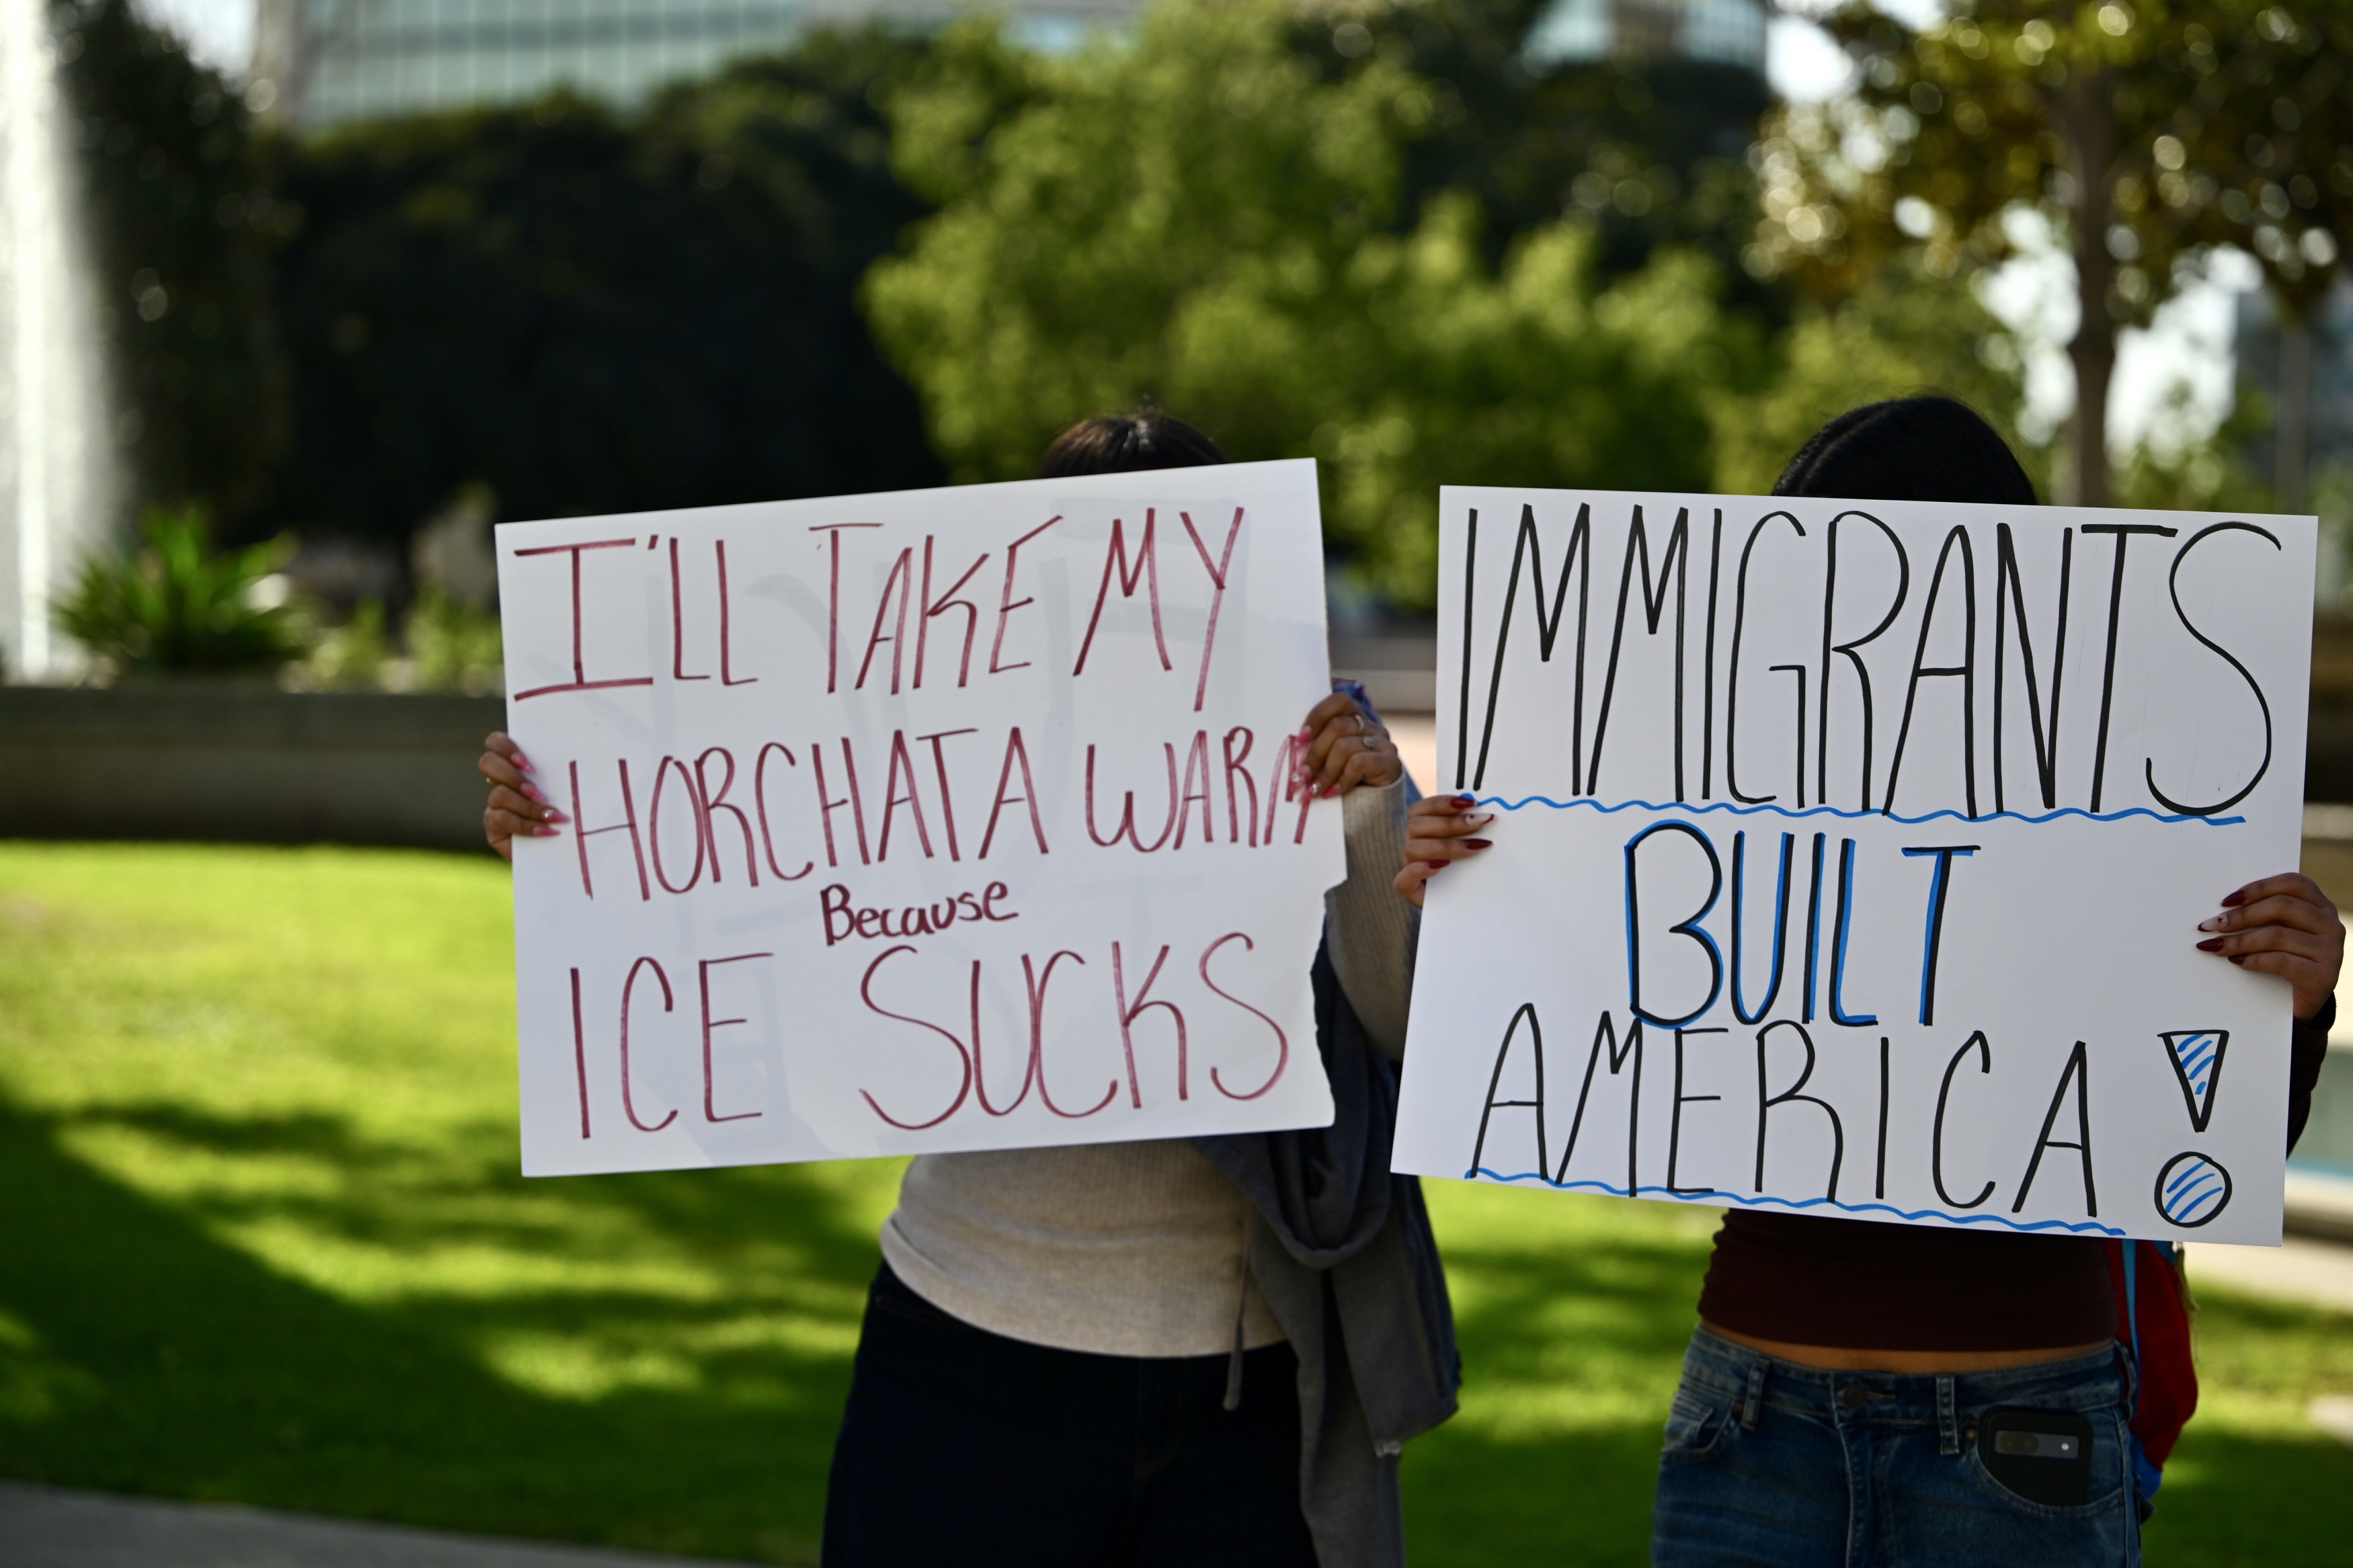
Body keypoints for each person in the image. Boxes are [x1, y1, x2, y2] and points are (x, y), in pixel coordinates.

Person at [480, 409, 1458, 1568]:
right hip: (961, 1361)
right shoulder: (927, 727)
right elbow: (747, 852)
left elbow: (1408, 1031)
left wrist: (1363, 815)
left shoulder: (1314, 749)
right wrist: (579, 827)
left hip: (1241, 1398)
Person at [1396, 395, 2343, 1568]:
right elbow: (1615, 996)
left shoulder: (2118, 804)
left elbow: (2204, 1145)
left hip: (2016, 1428)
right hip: (1750, 1415)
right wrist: (1489, 883)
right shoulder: (1733, 762)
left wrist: (2293, 1006)